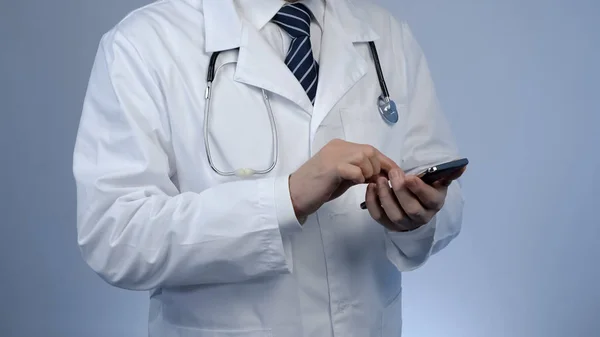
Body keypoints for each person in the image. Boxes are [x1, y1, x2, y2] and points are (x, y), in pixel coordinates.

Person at [72, 0, 465, 336]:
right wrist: (285, 199)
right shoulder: (143, 44)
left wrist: (420, 215)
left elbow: (446, 196)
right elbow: (116, 236)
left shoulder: (387, 36)